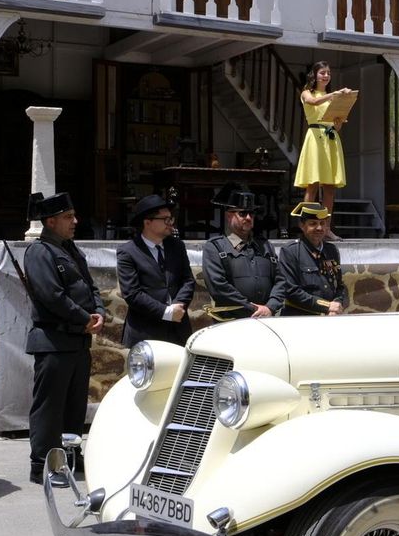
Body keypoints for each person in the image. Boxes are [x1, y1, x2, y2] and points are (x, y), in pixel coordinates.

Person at [22, 191, 104, 488]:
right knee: (50, 407)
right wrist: (84, 319)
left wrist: (98, 312)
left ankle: (68, 455)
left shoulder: (70, 249)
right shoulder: (40, 252)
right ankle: (43, 463)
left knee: (73, 406)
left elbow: (89, 285)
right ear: (51, 221)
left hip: (77, 341)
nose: (75, 222)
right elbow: (52, 296)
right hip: (54, 340)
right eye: (68, 217)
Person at [116, 193, 195, 346]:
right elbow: (132, 294)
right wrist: (166, 312)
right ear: (148, 222)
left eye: (171, 218)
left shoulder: (177, 246)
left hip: (178, 329)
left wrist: (178, 305)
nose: (170, 223)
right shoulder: (128, 251)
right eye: (165, 219)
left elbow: (188, 280)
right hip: (145, 332)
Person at [201, 186, 281, 320]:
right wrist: (253, 308)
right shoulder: (215, 247)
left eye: (251, 213)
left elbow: (281, 280)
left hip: (266, 319)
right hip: (231, 321)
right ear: (228, 215)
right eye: (242, 213)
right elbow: (218, 286)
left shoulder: (265, 245)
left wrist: (270, 307)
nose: (248, 217)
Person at [293, 61, 347, 228]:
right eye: (322, 72)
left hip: (330, 139)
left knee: (330, 188)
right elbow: (314, 103)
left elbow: (336, 126)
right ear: (314, 75)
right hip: (315, 138)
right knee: (313, 185)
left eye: (328, 73)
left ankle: (326, 228)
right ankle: (307, 227)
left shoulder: (331, 98)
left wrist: (338, 122)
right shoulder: (307, 93)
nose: (326, 76)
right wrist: (334, 95)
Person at [274, 201, 347, 315]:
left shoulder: (331, 250)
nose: (319, 228)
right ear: (302, 226)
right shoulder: (290, 251)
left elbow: (340, 286)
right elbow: (291, 290)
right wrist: (327, 306)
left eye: (322, 223)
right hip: (300, 317)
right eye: (313, 223)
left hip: (330, 317)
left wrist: (337, 303)